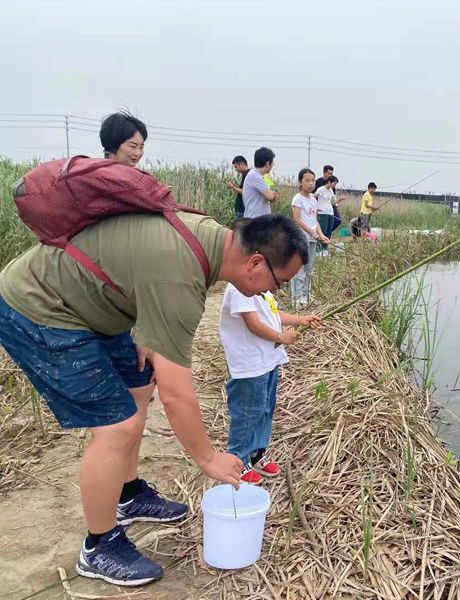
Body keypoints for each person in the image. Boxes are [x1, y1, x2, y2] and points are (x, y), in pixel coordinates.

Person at [0, 209, 309, 587]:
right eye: (279, 283)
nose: (272, 293)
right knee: (119, 425)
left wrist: (147, 329)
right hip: (41, 306)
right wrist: (208, 458)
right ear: (256, 262)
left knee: (140, 384)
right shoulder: (182, 275)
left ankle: (128, 495)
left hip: (94, 303)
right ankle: (99, 546)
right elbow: (177, 391)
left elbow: (138, 270)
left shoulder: (209, 241)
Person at [220, 263, 322, 484]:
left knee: (265, 408)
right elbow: (253, 324)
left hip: (268, 360)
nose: (279, 285)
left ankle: (257, 453)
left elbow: (273, 313)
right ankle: (238, 459)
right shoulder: (240, 286)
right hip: (249, 364)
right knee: (248, 411)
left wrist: (299, 320)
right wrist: (281, 337)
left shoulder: (262, 287)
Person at [291, 168, 330, 305]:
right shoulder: (297, 199)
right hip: (301, 239)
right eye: (307, 180)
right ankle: (296, 298)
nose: (311, 183)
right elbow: (297, 219)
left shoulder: (313, 200)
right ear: (300, 182)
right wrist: (310, 232)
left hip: (312, 240)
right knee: (299, 268)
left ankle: (304, 296)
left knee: (308, 268)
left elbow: (315, 221)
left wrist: (321, 235)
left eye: (313, 180)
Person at [242, 147, 279, 218]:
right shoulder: (255, 175)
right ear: (268, 164)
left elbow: (269, 198)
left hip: (259, 220)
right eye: (272, 163)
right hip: (255, 220)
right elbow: (270, 196)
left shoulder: (258, 175)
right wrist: (271, 194)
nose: (273, 165)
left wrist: (271, 195)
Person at [314, 175, 339, 255]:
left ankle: (325, 249)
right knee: (322, 232)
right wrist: (316, 208)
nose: (334, 185)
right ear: (329, 182)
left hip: (330, 213)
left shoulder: (331, 191)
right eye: (334, 184)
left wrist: (339, 199)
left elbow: (332, 202)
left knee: (328, 232)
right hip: (322, 213)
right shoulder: (321, 189)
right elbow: (314, 196)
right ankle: (318, 249)